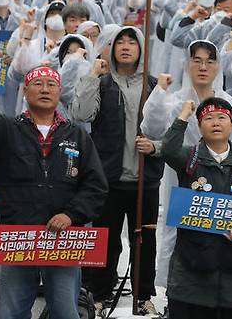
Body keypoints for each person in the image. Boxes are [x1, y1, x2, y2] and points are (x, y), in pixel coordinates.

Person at [0, 52, 108, 318]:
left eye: (51, 85)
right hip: (19, 239)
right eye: (38, 84)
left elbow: (95, 185)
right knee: (11, 312)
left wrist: (71, 214)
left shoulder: (77, 136)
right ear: (25, 91)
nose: (45, 89)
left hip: (64, 239)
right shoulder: (6, 130)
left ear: (60, 91)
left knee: (65, 311)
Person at [71, 26, 164, 315]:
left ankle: (144, 296)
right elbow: (80, 114)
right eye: (119, 42)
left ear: (141, 49)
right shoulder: (102, 82)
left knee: (144, 242)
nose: (125, 46)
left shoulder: (154, 85)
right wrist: (91, 75)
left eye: (131, 42)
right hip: (108, 178)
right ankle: (97, 295)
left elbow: (169, 128)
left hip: (144, 179)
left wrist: (156, 147)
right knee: (104, 241)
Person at [161, 98, 232, 319]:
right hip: (192, 266)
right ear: (200, 126)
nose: (215, 123)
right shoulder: (189, 158)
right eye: (208, 118)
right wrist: (183, 116)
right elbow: (168, 150)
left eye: (222, 118)